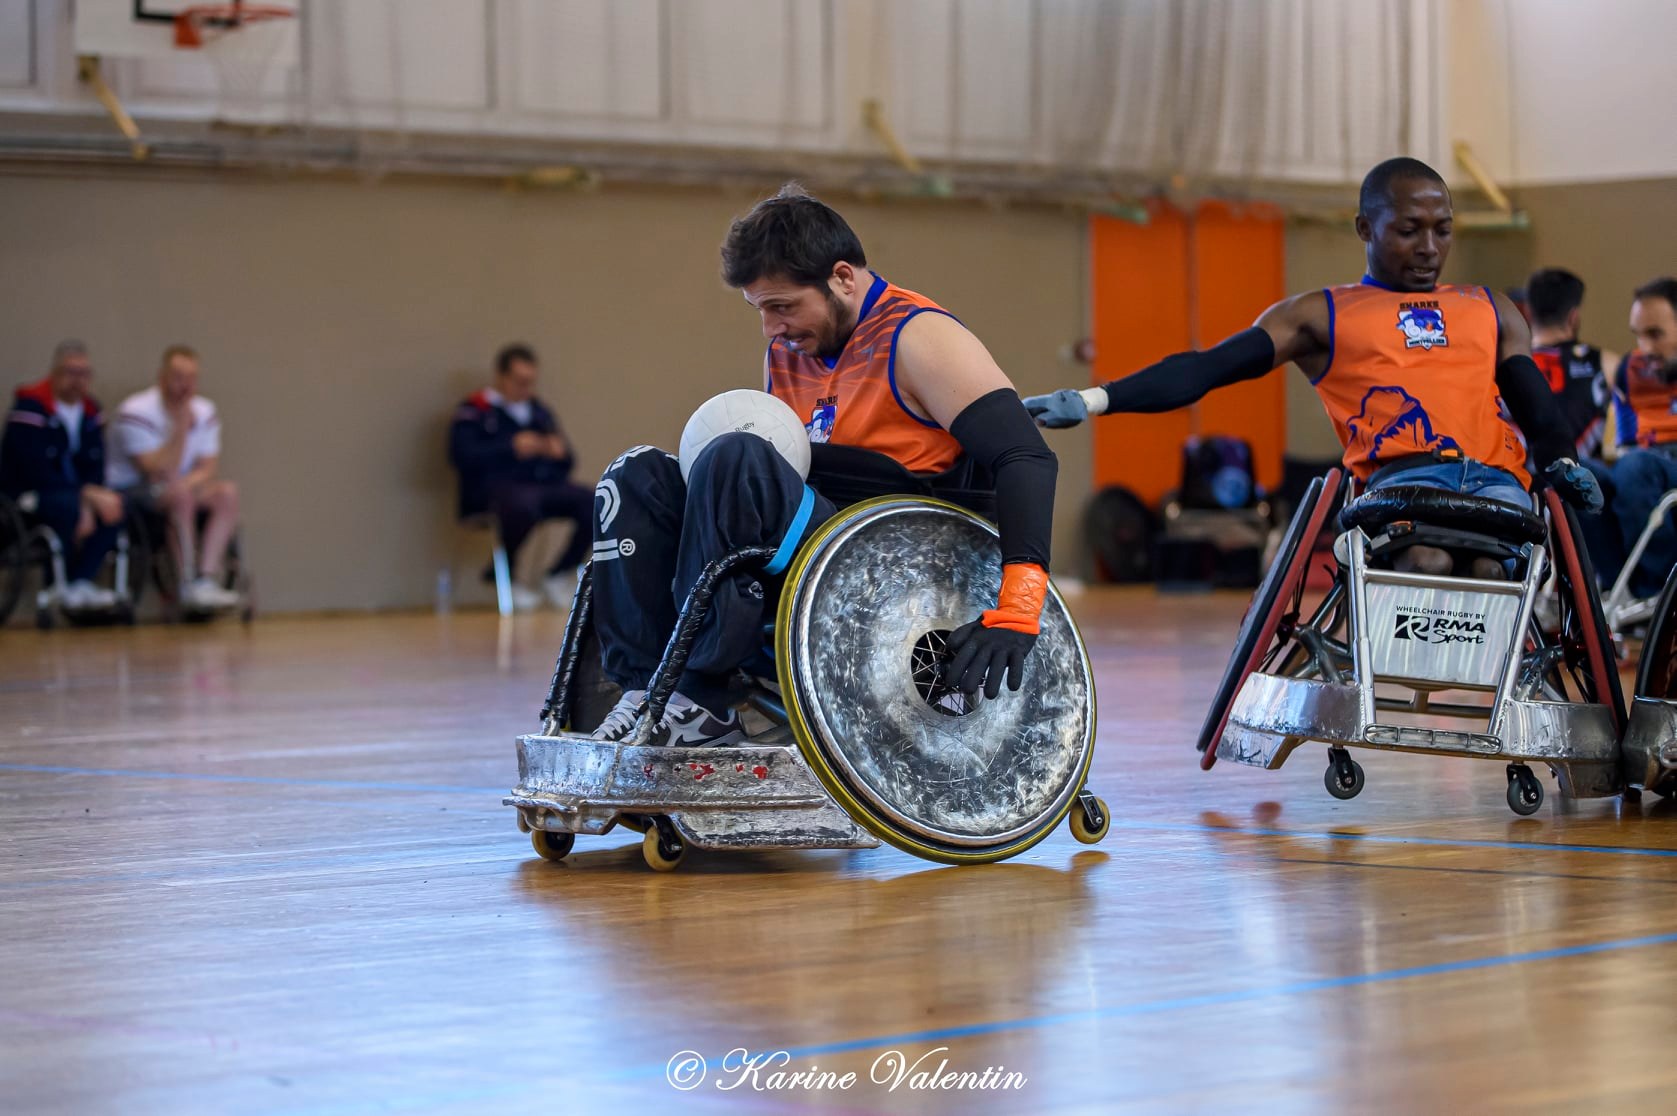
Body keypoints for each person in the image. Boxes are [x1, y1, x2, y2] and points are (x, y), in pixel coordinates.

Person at [588, 184, 1057, 746]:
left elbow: (1026, 455)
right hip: (818, 532)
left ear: (841, 277)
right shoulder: (791, 350)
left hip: (897, 553)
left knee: (736, 456)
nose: (771, 329)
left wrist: (1020, 607)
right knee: (637, 476)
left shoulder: (919, 336)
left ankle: (702, 693)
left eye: (782, 307)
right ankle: (647, 689)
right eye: (759, 310)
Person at [1024, 156, 1600, 579]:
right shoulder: (1319, 315)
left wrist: (1561, 458)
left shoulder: (1491, 307)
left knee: (1489, 573)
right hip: (1405, 485)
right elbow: (1207, 368)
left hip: (1497, 482)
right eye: (1408, 230)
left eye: (1442, 229)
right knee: (1429, 559)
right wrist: (1095, 398)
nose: (1428, 247)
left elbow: (1533, 401)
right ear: (1365, 229)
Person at [449, 344, 593, 611]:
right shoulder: (476, 409)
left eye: (531, 382)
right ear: (501, 376)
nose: (526, 389)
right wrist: (511, 446)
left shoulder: (539, 411)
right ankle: (504, 573)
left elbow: (568, 461)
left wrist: (556, 451)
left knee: (595, 501)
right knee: (521, 504)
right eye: (520, 381)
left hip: (542, 486)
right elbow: (461, 456)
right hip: (494, 490)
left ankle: (559, 573)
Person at [106, 344, 241, 610]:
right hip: (134, 491)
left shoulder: (205, 410)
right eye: (178, 377)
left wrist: (185, 485)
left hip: (178, 488)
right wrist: (180, 426)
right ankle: (186, 582)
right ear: (162, 377)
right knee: (181, 497)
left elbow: (207, 467)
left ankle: (206, 577)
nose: (185, 386)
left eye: (191, 378)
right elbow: (155, 469)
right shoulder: (136, 410)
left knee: (226, 493)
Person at [0, 340, 123, 609]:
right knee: (67, 508)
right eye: (70, 373)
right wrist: (84, 498)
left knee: (115, 506)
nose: (77, 381)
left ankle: (81, 582)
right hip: (28, 496)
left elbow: (95, 465)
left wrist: (90, 499)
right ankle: (58, 583)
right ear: (54, 373)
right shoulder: (29, 409)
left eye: (84, 374)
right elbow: (34, 470)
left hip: (77, 495)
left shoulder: (91, 412)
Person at [1594, 277, 1677, 596]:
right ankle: (1619, 593)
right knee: (1580, 475)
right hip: (1644, 467)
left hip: (1656, 470)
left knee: (1635, 468)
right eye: (1638, 335)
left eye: (1655, 334)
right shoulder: (1631, 369)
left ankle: (1661, 593)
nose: (1645, 348)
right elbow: (1627, 444)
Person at [1526, 268, 1619, 461]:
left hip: (1522, 481)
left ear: (1528, 313)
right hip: (1585, 477)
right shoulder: (1606, 364)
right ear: (1573, 317)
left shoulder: (1504, 364)